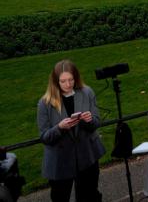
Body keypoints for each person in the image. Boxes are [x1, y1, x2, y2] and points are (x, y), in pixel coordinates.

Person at [37, 60, 105, 202]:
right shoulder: (45, 103)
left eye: (71, 80)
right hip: (60, 160)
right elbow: (44, 136)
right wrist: (60, 128)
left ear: (76, 77)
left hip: (87, 156)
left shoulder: (87, 92)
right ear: (55, 81)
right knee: (60, 197)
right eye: (63, 81)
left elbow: (97, 122)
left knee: (89, 196)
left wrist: (89, 120)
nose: (68, 84)